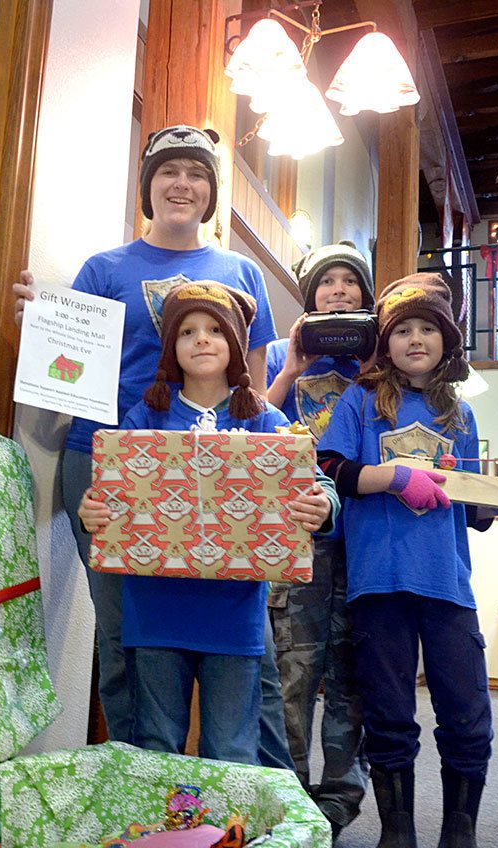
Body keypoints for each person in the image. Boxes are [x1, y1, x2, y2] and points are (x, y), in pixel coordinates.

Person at [13, 125, 288, 762]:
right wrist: (42, 328)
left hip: (220, 470)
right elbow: (69, 361)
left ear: (211, 191)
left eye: (196, 173)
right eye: (169, 172)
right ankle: (141, 790)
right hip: (105, 461)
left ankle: (271, 799)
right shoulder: (104, 269)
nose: (182, 184)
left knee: (251, 648)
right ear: (148, 186)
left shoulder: (240, 270)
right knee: (123, 635)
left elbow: (253, 386)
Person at [321, 273, 498, 848]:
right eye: (403, 329)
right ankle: (397, 829)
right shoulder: (359, 401)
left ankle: (461, 829)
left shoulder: (461, 415)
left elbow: (467, 500)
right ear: (387, 341)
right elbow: (334, 471)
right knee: (389, 712)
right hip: (377, 583)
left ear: (447, 342)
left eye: (429, 328)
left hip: (447, 584)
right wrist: (398, 477)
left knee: (467, 711)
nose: (416, 338)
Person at [77, 281, 335, 764]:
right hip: (154, 610)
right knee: (156, 746)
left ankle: (224, 838)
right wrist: (95, 510)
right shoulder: (144, 415)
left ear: (235, 344)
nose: (201, 340)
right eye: (188, 331)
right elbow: (109, 492)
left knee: (231, 748)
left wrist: (322, 507)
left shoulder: (267, 421)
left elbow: (317, 483)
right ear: (171, 346)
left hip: (232, 614)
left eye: (215, 330)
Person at [264, 241, 374, 840]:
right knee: (293, 669)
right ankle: (289, 794)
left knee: (350, 675)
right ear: (310, 297)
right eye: (326, 282)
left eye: (349, 282)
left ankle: (338, 801)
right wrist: (290, 368)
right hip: (294, 539)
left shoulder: (378, 364)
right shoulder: (284, 353)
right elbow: (246, 425)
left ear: (364, 295)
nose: (338, 290)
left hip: (359, 539)